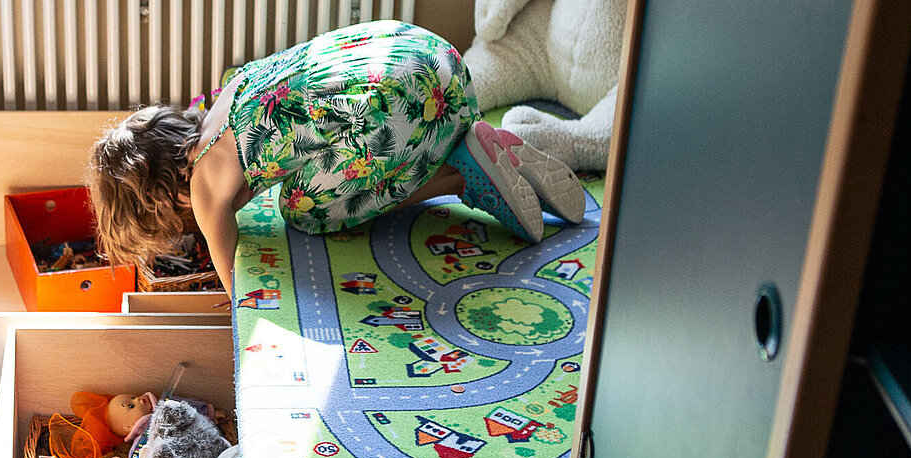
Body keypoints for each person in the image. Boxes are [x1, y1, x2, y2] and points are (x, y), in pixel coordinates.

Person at [88, 20, 583, 291]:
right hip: (435, 60)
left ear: (160, 199)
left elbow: (235, 284)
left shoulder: (201, 187)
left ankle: (461, 175)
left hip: (405, 100)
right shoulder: (229, 91)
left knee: (303, 210)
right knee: (327, 139)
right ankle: (468, 138)